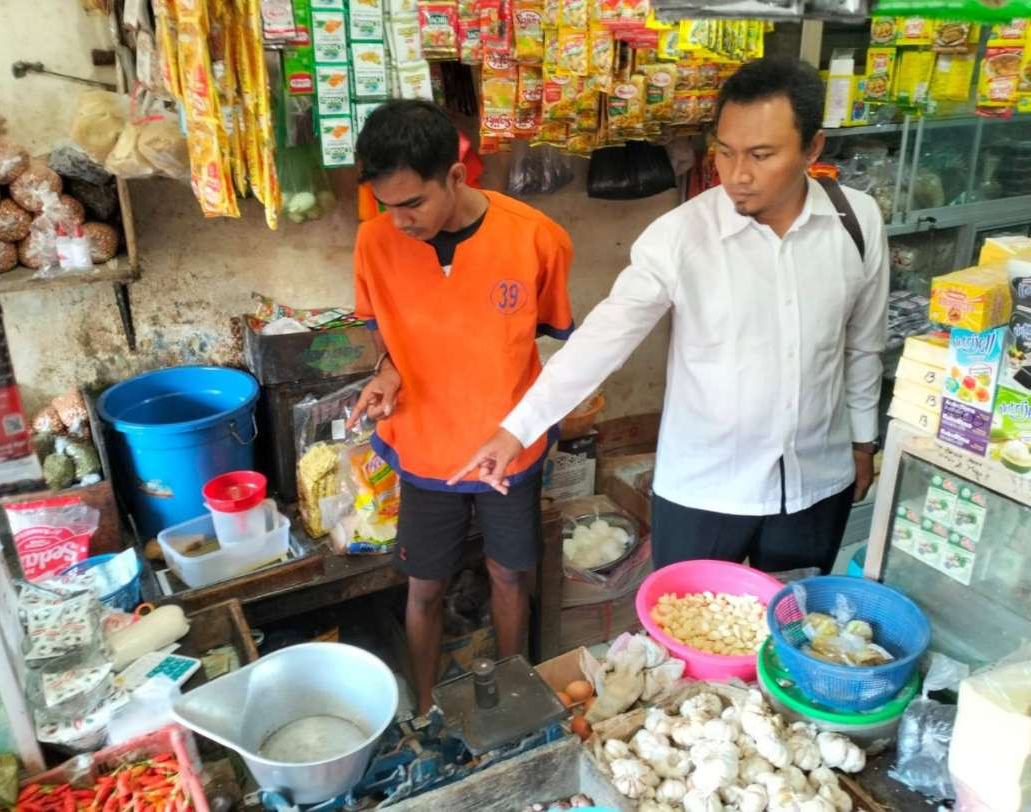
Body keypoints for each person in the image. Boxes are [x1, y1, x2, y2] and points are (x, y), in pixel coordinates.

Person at [450, 57, 889, 575]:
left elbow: (863, 343)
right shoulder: (680, 236)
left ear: (813, 148)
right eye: (725, 152)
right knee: (687, 638)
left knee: (788, 633)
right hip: (706, 488)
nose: (737, 175)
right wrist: (516, 430)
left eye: (761, 155)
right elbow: (603, 340)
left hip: (816, 481)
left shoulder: (856, 221)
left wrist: (863, 442)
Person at [346, 100, 574, 713]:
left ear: (456, 175)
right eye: (385, 205)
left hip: (510, 447)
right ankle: (421, 709)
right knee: (423, 586)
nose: (399, 221)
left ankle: (511, 694)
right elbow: (379, 326)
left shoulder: (535, 238)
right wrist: (387, 368)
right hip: (424, 444)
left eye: (413, 203)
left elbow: (558, 344)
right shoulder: (374, 243)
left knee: (509, 575)